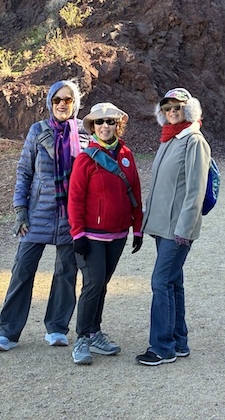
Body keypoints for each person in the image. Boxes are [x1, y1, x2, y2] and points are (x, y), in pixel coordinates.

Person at [0, 80, 83, 352]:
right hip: (38, 213)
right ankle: (7, 332)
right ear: (50, 103)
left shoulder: (84, 134)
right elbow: (24, 173)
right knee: (22, 270)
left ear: (75, 103)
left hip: (71, 216)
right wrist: (20, 211)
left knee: (66, 272)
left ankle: (57, 327)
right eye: (57, 100)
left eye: (67, 99)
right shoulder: (37, 131)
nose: (62, 104)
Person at [136, 87, 211, 366]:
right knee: (173, 281)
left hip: (177, 229)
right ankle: (179, 342)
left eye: (177, 107)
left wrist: (184, 228)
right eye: (167, 108)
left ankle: (162, 347)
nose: (171, 112)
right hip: (162, 226)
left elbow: (195, 190)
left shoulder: (194, 141)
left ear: (188, 109)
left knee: (160, 281)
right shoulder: (169, 139)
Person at [68, 102, 143, 365]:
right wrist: (77, 234)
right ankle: (81, 338)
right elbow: (75, 199)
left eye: (110, 121)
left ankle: (95, 331)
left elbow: (134, 191)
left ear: (117, 125)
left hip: (118, 233)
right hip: (91, 234)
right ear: (93, 127)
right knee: (93, 283)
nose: (105, 126)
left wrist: (138, 228)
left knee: (102, 284)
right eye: (100, 122)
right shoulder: (85, 159)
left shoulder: (126, 155)